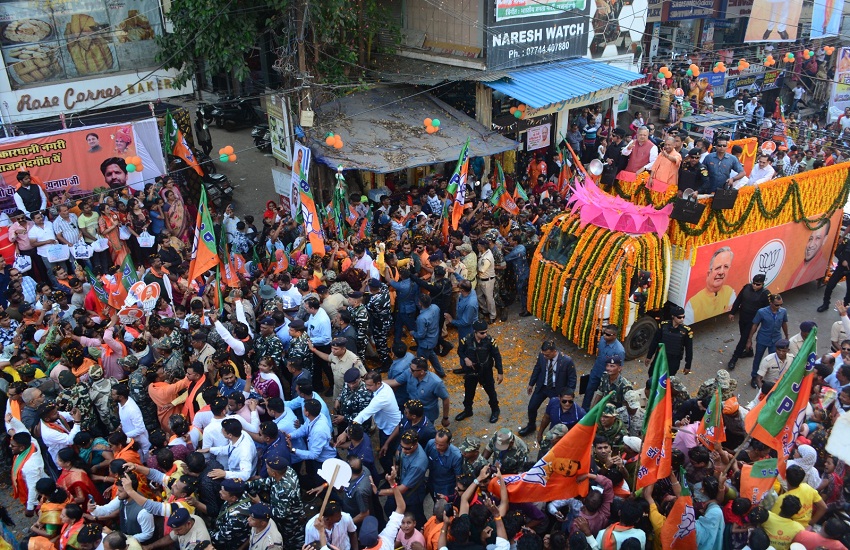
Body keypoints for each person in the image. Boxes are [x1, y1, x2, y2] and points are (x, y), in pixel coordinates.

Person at [519, 341, 577, 436]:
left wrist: (568, 396)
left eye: (547, 355)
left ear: (554, 351)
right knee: (532, 407)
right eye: (544, 354)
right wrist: (531, 384)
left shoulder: (566, 361)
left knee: (556, 412)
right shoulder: (542, 356)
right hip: (543, 386)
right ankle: (531, 426)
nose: (545, 357)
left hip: (557, 390)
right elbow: (537, 368)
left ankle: (558, 431)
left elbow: (572, 379)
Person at [455, 320, 503, 424]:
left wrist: (500, 372)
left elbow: (497, 356)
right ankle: (468, 410)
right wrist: (465, 359)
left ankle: (495, 410)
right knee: (469, 393)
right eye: (482, 333)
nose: (485, 334)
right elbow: (460, 351)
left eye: (486, 332)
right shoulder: (466, 340)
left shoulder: (490, 341)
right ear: (475, 332)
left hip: (485, 371)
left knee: (491, 392)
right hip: (471, 371)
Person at [727, 273, 770, 370]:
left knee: (743, 339)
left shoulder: (765, 294)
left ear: (763, 284)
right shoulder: (746, 288)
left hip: (753, 320)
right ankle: (749, 351)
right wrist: (732, 312)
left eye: (758, 284)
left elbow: (767, 311)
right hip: (743, 316)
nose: (755, 286)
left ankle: (734, 359)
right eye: (754, 283)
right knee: (744, 336)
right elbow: (738, 300)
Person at [684, 246, 737, 324]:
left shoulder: (730, 292)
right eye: (718, 268)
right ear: (709, 273)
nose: (721, 272)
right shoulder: (693, 303)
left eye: (726, 267)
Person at [748, 293, 789, 389]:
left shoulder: (783, 311)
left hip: (776, 339)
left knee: (775, 360)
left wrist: (787, 337)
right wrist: (749, 340)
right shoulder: (762, 312)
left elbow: (784, 323)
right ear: (771, 303)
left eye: (781, 304)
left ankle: (770, 378)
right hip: (763, 338)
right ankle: (754, 377)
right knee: (758, 358)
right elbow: (755, 325)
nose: (779, 307)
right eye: (777, 305)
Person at [646, 306, 694, 376]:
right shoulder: (663, 326)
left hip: (674, 360)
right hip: (660, 356)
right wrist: (649, 356)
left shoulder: (686, 331)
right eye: (679, 317)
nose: (682, 319)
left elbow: (689, 349)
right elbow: (655, 342)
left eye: (683, 317)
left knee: (668, 379)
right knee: (652, 375)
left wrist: (688, 365)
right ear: (673, 316)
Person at [789, 219, 832, 288]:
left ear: (824, 240)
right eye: (810, 239)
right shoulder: (802, 264)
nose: (811, 245)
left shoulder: (820, 265)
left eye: (817, 238)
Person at [818, 226, 850, 311]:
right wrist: (842, 260)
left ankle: (844, 309)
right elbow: (837, 252)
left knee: (849, 294)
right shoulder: (847, 242)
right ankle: (825, 304)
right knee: (829, 286)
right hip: (841, 269)